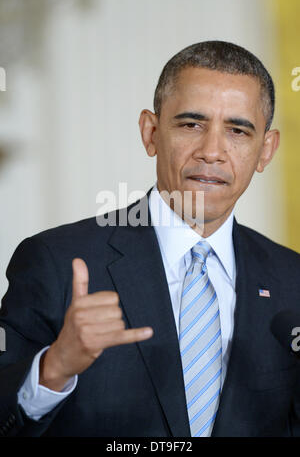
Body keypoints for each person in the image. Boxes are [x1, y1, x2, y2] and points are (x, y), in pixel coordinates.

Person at [1, 40, 300, 438]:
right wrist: (53, 369)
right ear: (151, 132)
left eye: (237, 130)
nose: (212, 151)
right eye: (191, 124)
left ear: (265, 150)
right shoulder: (54, 262)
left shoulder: (292, 279)